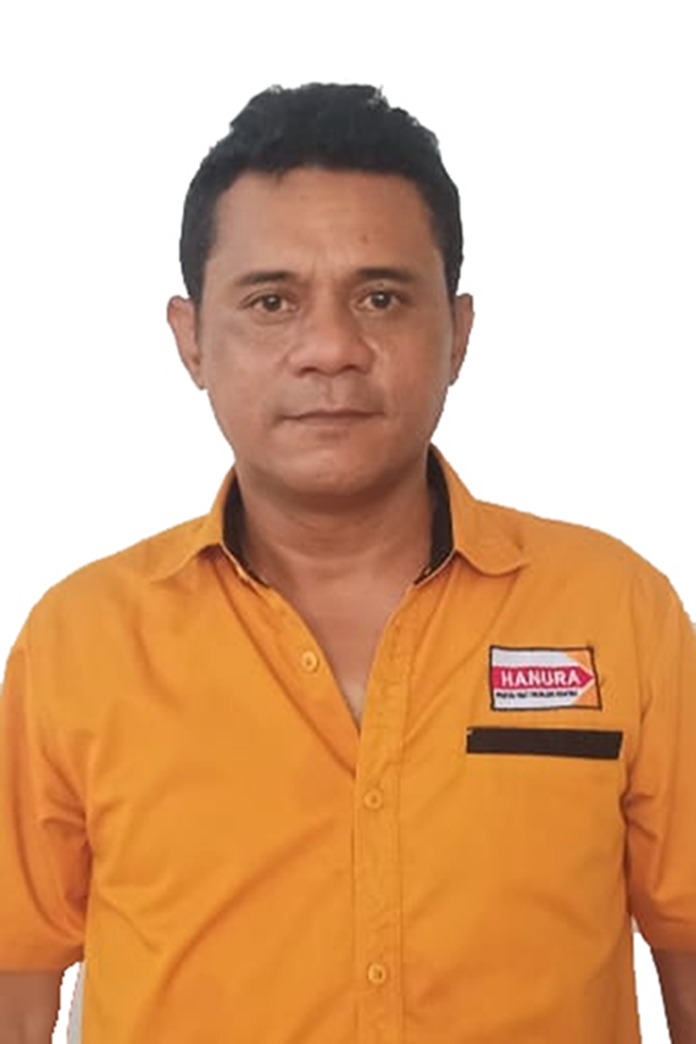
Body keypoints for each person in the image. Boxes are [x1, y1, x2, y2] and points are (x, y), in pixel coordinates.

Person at [0, 83, 695, 1044]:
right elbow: (17, 979)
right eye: (272, 301)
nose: (330, 349)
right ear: (191, 339)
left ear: (457, 333)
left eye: (380, 298)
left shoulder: (615, 611)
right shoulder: (80, 642)